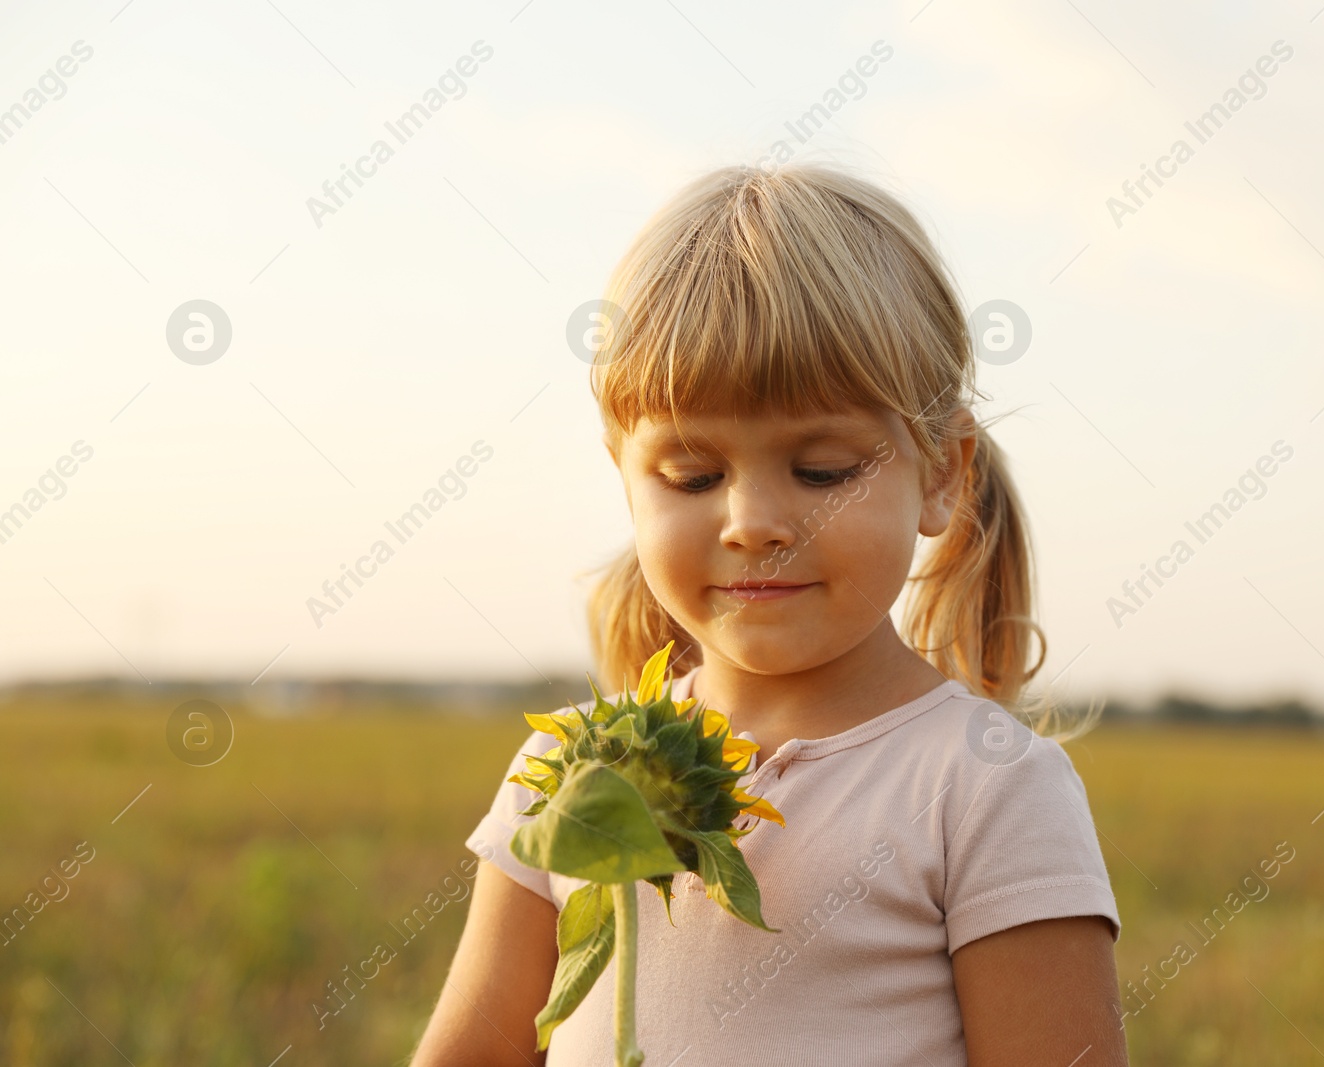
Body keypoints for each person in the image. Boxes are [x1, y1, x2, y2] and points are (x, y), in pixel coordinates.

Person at [410, 162, 1127, 1066]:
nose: (753, 522)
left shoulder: (984, 788)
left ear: (942, 473)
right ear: (625, 478)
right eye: (693, 477)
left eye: (823, 471)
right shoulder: (572, 767)